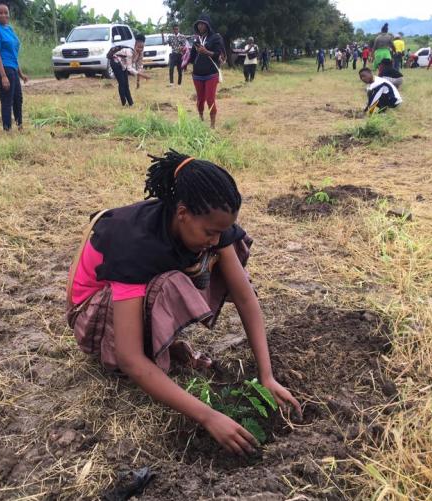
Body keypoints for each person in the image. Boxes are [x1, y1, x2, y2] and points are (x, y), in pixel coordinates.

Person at [65, 150, 303, 456]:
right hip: (92, 315)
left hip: (132, 296)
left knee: (223, 254)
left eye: (221, 231)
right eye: (209, 232)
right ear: (182, 213)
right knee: (170, 286)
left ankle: (164, 345)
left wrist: (266, 375)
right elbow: (130, 358)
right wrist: (208, 416)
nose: (216, 240)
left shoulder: (210, 223)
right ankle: (158, 349)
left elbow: (245, 296)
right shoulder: (135, 243)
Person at [0, 0, 29, 132]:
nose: (3, 15)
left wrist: (21, 74)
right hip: (1, 67)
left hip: (11, 67)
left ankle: (20, 126)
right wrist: (3, 76)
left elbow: (13, 55)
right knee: (7, 99)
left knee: (18, 98)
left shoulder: (9, 29)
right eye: (0, 13)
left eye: (6, 12)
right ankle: (7, 130)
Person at [190, 14, 224, 129]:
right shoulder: (195, 38)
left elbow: (218, 54)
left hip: (211, 73)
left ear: (208, 25)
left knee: (210, 99)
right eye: (198, 24)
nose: (200, 26)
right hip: (197, 74)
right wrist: (184, 54)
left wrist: (206, 51)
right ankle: (200, 118)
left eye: (203, 24)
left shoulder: (215, 37)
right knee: (200, 99)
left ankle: (212, 124)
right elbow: (192, 57)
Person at [110, 34, 150, 107]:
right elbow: (129, 68)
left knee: (126, 84)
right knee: (122, 83)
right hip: (115, 62)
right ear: (135, 44)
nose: (140, 49)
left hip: (123, 64)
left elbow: (139, 67)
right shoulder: (129, 51)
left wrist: (138, 81)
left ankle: (131, 104)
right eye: (138, 47)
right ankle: (124, 104)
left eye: (142, 47)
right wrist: (143, 76)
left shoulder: (140, 54)